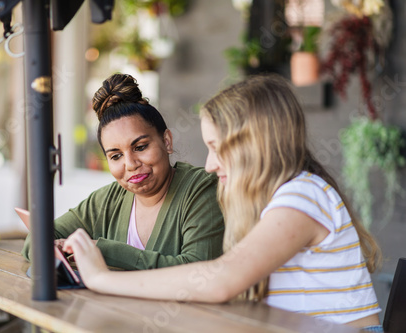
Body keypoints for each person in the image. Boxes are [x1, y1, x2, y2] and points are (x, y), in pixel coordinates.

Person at [63, 74, 383, 331]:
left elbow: (220, 280)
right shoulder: (275, 200)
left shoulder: (303, 196)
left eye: (218, 148)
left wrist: (102, 278)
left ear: (254, 144)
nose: (211, 164)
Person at [21, 73, 224, 270]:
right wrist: (54, 249)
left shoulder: (201, 189)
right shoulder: (107, 200)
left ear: (167, 141)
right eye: (116, 156)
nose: (130, 164)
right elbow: (36, 240)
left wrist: (101, 251)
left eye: (140, 147)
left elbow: (197, 270)